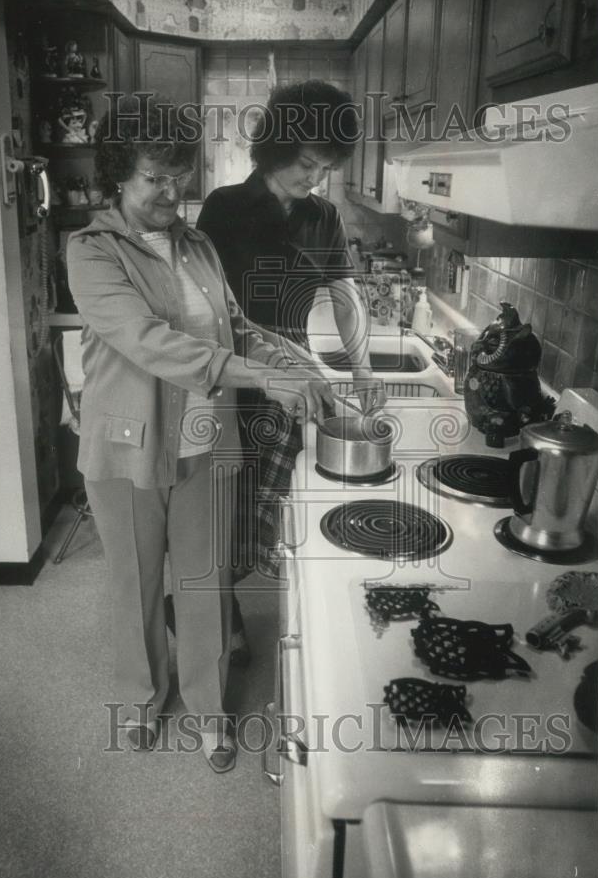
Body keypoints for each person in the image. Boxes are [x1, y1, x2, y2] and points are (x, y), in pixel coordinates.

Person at [66, 94, 332, 773]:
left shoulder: (198, 244)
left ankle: (211, 712)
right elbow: (149, 342)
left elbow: (233, 326)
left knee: (206, 583)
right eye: (154, 177)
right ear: (119, 175)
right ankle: (141, 700)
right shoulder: (92, 252)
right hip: (127, 447)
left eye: (178, 175)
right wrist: (254, 377)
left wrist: (289, 361)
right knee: (135, 579)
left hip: (205, 441)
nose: (169, 191)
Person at [197, 79, 375, 588]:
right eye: (307, 164)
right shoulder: (225, 207)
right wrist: (282, 358)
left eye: (326, 168)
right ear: (275, 148)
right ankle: (218, 615)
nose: (316, 179)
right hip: (236, 378)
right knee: (227, 504)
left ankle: (263, 602)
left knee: (277, 499)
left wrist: (360, 368)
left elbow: (345, 295)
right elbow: (209, 310)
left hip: (292, 383)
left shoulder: (324, 216)